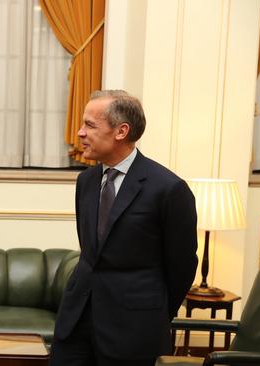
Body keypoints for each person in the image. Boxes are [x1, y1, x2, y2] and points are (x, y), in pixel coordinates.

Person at [50, 90, 198, 366]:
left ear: (121, 131)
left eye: (90, 125)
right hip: (75, 323)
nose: (80, 133)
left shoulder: (168, 189)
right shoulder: (86, 181)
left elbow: (182, 267)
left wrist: (151, 314)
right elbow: (90, 252)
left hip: (132, 331)